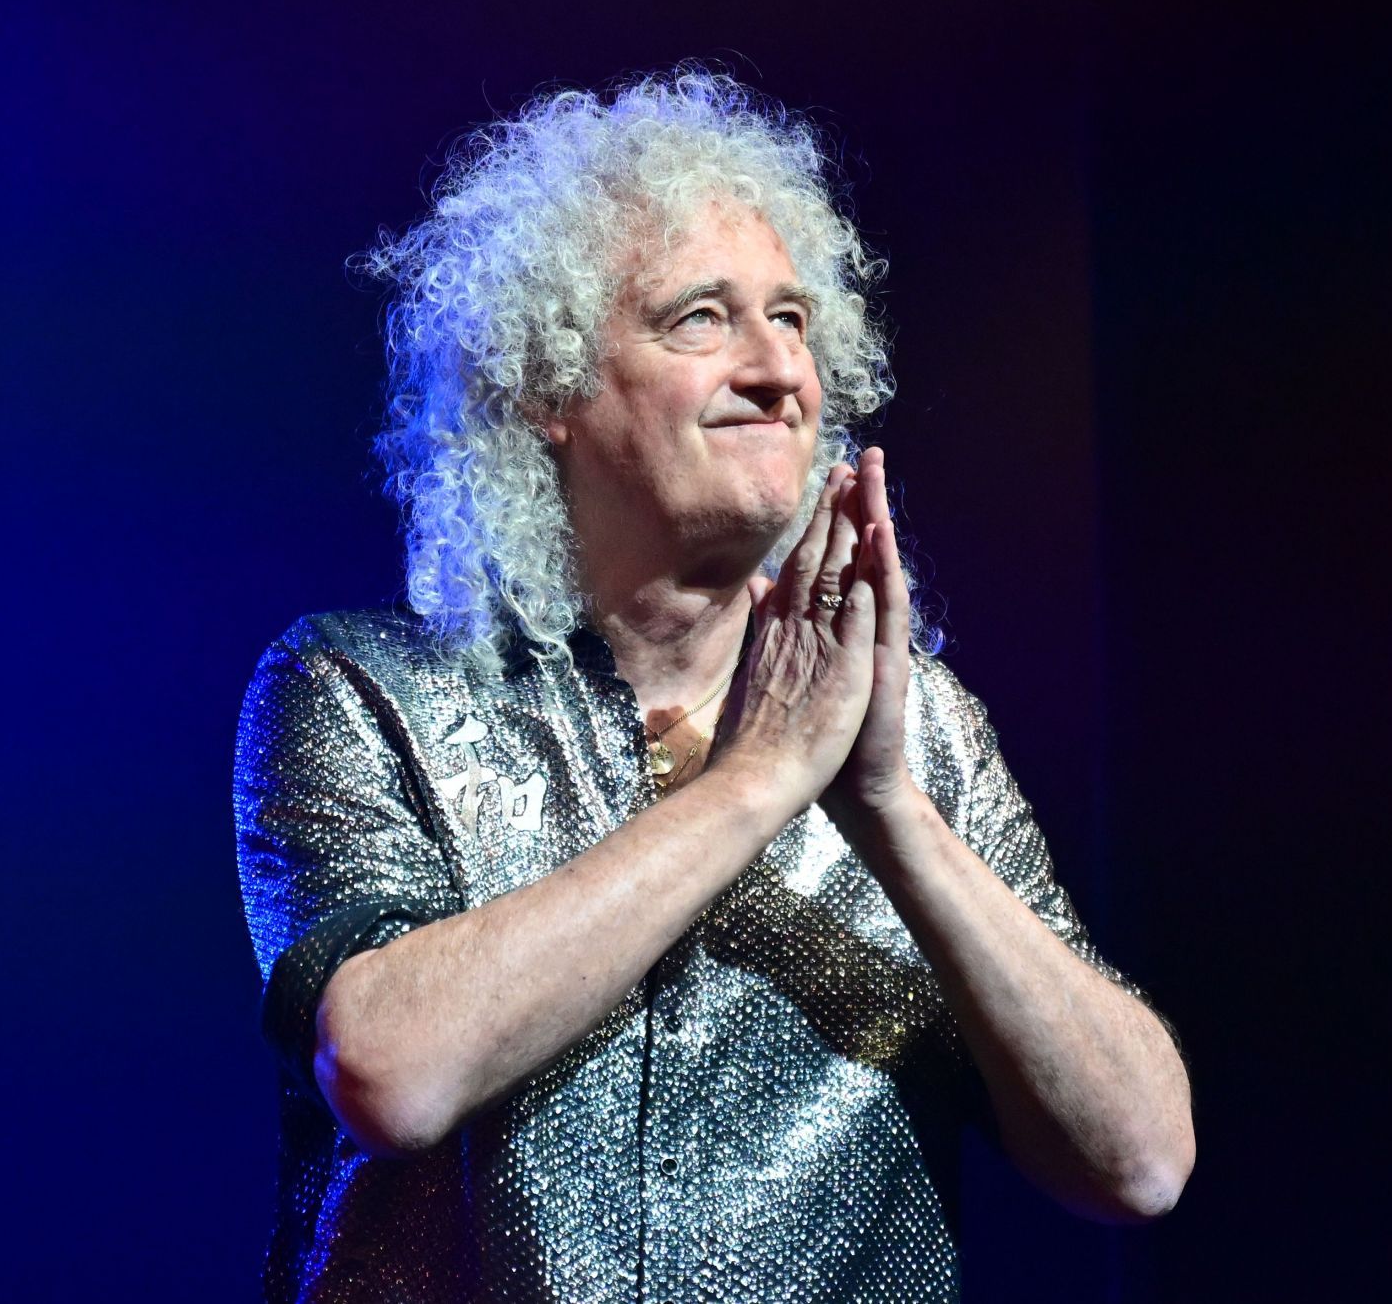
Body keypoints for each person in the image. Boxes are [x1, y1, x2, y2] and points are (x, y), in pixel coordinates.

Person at [235, 70, 1193, 1303]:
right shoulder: (364, 687)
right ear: (547, 386)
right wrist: (752, 782)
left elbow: (1144, 1159)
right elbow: (389, 1071)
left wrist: (893, 807)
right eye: (701, 318)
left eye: (792, 318)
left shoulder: (924, 732)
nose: (778, 369)